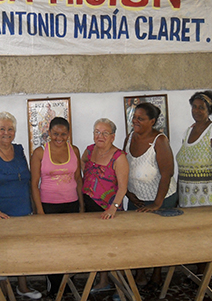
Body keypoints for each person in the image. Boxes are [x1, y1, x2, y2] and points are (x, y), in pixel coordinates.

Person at [0, 112, 42, 299]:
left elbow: (27, 180)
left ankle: (23, 287)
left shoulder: (19, 150)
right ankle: (0, 293)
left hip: (23, 213)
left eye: (10, 129)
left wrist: (34, 208)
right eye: (2, 129)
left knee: (22, 252)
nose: (6, 132)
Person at [123, 102, 177, 290]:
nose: (135, 121)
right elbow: (122, 166)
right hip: (135, 198)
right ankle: (140, 273)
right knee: (136, 238)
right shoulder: (129, 138)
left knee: (157, 239)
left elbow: (167, 173)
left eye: (141, 118)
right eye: (134, 117)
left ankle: (156, 273)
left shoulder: (160, 141)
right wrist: (128, 193)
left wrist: (157, 203)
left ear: (152, 121)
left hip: (160, 198)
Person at [30, 117, 83, 296]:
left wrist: (81, 206)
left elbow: (78, 179)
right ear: (49, 132)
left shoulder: (74, 150)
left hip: (71, 204)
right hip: (48, 206)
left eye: (63, 134)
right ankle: (53, 283)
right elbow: (34, 184)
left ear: (68, 133)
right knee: (52, 247)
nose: (59, 137)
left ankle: (68, 283)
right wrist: (40, 211)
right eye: (55, 134)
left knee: (71, 245)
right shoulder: (39, 152)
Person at [81, 118, 129, 292]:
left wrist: (113, 208)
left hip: (108, 210)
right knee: (98, 247)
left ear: (113, 137)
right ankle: (103, 282)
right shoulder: (90, 150)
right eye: (97, 132)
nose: (100, 136)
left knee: (113, 249)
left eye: (105, 133)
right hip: (89, 206)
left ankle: (121, 288)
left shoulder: (119, 157)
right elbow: (83, 162)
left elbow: (123, 187)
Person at [176, 91, 212, 210]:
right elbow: (181, 171)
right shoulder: (187, 133)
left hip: (208, 199)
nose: (196, 111)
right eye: (194, 107)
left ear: (209, 110)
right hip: (186, 199)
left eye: (201, 108)